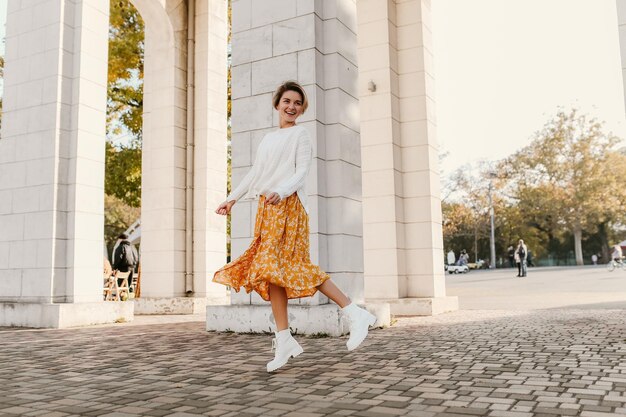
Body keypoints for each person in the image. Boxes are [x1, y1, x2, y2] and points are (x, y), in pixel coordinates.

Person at [213, 81, 376, 373]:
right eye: (287, 101)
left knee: (292, 266)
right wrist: (231, 199)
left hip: (288, 206)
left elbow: (301, 173)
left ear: (302, 109)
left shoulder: (301, 135)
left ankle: (353, 313)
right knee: (273, 273)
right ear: (277, 104)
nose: (292, 107)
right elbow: (255, 173)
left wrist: (282, 191)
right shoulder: (267, 139)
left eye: (298, 103)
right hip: (268, 207)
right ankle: (284, 338)